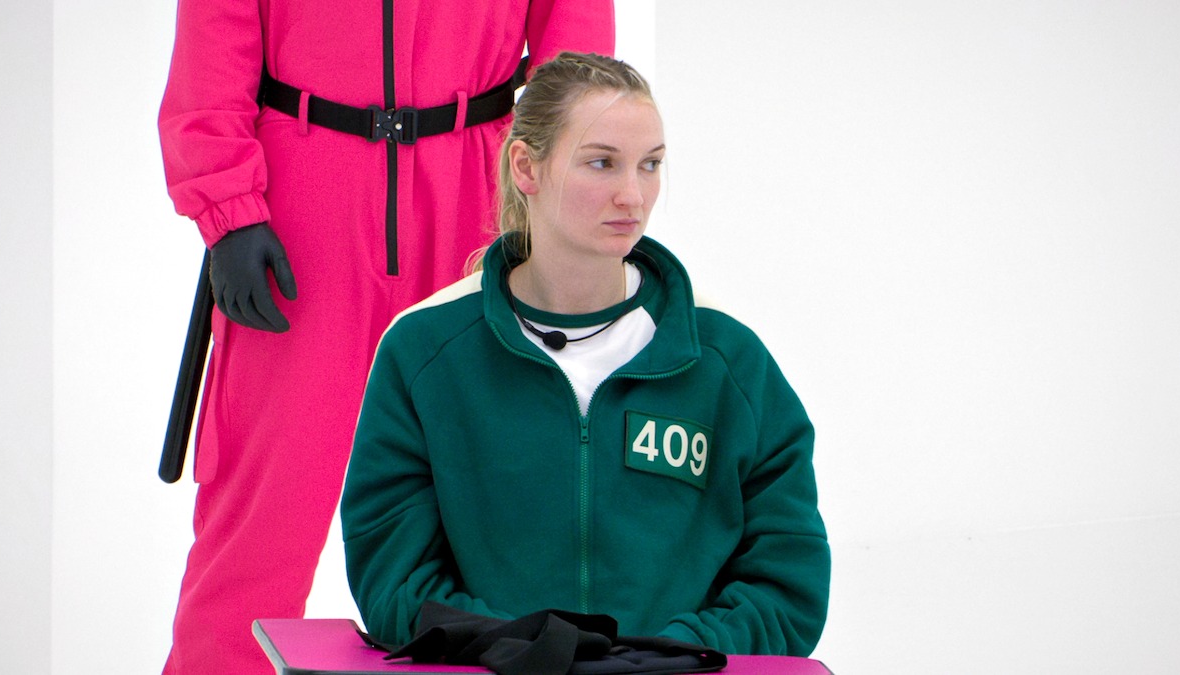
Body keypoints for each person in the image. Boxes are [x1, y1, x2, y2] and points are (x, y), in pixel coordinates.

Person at [157, 3, 614, 672]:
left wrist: (564, 197)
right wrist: (228, 207)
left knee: (494, 501)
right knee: (264, 507)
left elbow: (573, 41)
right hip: (303, 204)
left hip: (478, 200)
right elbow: (215, 29)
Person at [341, 52, 831, 657]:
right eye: (602, 163)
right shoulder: (423, 351)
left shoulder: (727, 359)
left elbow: (790, 582)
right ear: (527, 166)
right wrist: (523, 649)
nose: (634, 194)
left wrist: (666, 656)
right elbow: (394, 579)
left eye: (650, 165)